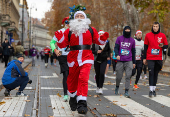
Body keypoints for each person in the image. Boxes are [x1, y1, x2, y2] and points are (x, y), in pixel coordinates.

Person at [54, 6, 109, 114]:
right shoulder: (69, 31)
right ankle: (73, 97)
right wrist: (59, 39)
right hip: (73, 58)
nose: (79, 17)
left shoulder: (91, 30)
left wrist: (102, 39)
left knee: (83, 78)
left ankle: (82, 103)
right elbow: (62, 44)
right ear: (74, 19)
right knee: (72, 81)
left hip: (86, 56)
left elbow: (98, 41)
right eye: (77, 16)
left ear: (85, 18)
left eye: (81, 16)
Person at [143, 22, 168, 97]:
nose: (155, 28)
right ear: (152, 27)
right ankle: (150, 90)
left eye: (156, 26)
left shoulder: (162, 35)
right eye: (154, 26)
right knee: (151, 73)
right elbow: (145, 47)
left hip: (158, 58)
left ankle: (154, 89)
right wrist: (144, 58)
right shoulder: (148, 35)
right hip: (150, 57)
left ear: (158, 27)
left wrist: (162, 46)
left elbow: (166, 46)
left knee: (156, 74)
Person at [50, 16, 70, 102]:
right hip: (63, 55)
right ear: (64, 23)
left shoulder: (76, 32)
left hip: (74, 56)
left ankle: (73, 92)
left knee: (73, 75)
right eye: (66, 22)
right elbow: (52, 42)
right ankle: (66, 94)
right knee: (66, 74)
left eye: (70, 22)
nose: (68, 24)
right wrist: (55, 49)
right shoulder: (59, 32)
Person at [114, 26, 136, 98]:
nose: (127, 31)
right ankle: (117, 87)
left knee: (128, 76)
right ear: (124, 30)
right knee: (119, 77)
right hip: (120, 60)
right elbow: (116, 47)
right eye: (126, 30)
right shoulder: (119, 38)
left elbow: (133, 51)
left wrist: (134, 62)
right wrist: (117, 54)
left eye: (128, 30)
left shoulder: (132, 40)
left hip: (129, 60)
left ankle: (126, 91)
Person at [92, 30, 111, 95]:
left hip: (104, 60)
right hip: (96, 59)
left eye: (102, 34)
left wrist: (108, 56)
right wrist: (96, 52)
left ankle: (101, 87)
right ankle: (97, 86)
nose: (101, 35)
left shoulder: (107, 42)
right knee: (97, 74)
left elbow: (109, 50)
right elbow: (92, 50)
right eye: (100, 34)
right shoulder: (95, 42)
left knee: (102, 73)